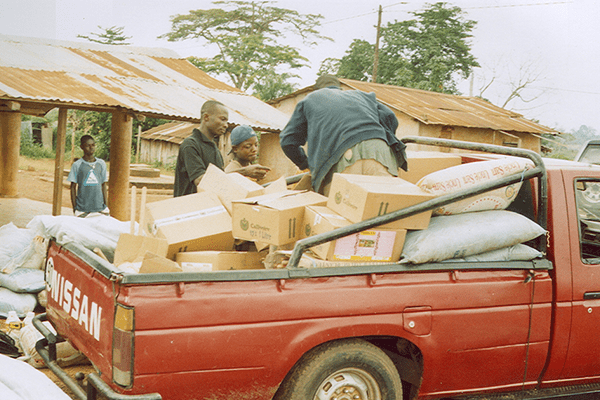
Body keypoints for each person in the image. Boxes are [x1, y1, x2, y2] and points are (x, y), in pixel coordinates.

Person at [279, 74, 408, 195]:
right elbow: (390, 117)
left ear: (316, 90)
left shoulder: (311, 99)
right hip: (380, 152)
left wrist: (305, 164)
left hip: (343, 157)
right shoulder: (362, 96)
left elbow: (288, 141)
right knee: (382, 208)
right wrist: (378, 142)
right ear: (339, 88)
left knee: (342, 212)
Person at [174, 101, 271, 197]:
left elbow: (220, 181)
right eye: (222, 119)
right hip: (188, 207)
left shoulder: (214, 148)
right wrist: (244, 172)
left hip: (206, 207)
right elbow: (201, 181)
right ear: (206, 117)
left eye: (226, 121)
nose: (226, 125)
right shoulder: (190, 145)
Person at [68, 135, 109, 217]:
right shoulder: (77, 165)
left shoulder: (101, 163)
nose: (91, 148)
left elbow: (103, 184)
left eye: (93, 145)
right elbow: (73, 187)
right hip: (82, 210)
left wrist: (106, 205)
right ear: (81, 147)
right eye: (87, 145)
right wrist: (75, 208)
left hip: (100, 209)